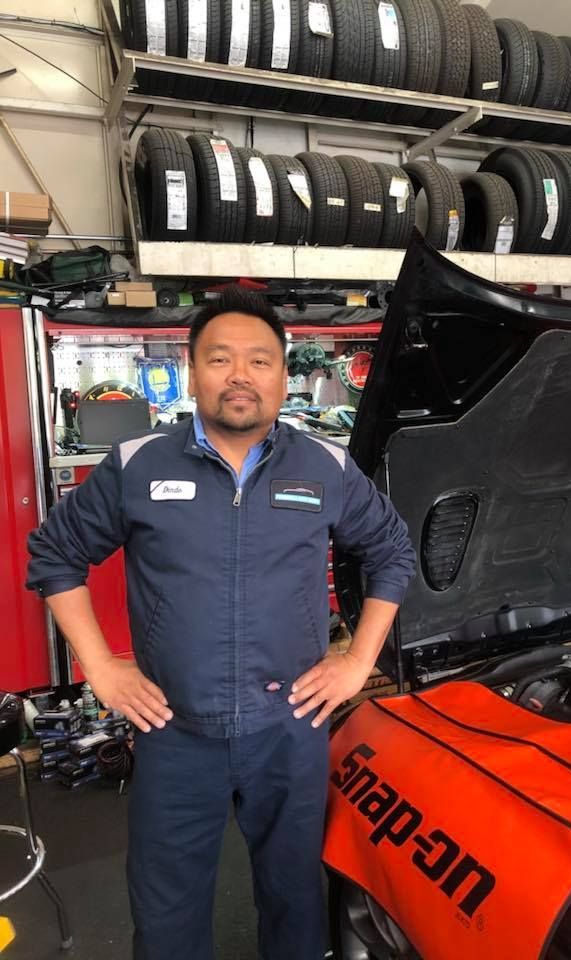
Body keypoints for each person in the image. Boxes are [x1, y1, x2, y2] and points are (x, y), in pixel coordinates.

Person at [26, 287, 416, 960]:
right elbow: (54, 554)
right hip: (174, 732)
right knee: (168, 915)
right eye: (221, 358)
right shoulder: (137, 465)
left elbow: (391, 552)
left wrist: (357, 661)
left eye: (259, 360)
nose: (241, 375)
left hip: (290, 731)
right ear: (192, 367)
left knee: (296, 904)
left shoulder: (323, 466)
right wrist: (101, 666)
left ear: (281, 372)